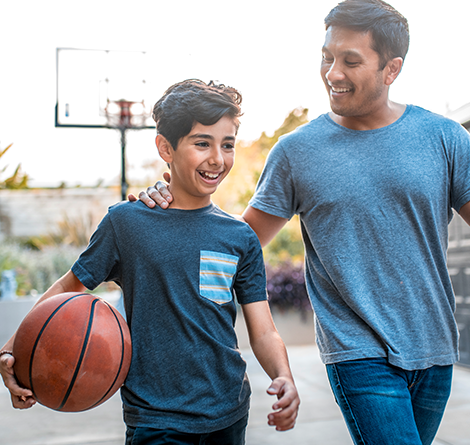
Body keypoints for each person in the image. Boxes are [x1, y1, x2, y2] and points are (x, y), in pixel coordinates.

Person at [133, 1, 470, 444]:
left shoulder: (444, 138)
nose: (332, 73)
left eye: (350, 61)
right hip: (358, 351)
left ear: (392, 69)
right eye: (327, 57)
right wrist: (170, 207)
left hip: (434, 346)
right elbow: (238, 240)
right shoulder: (298, 152)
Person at [0, 79, 300, 444]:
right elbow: (68, 286)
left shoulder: (239, 237)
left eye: (227, 145)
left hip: (229, 412)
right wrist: (11, 349)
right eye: (202, 143)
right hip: (156, 419)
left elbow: (264, 329)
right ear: (165, 148)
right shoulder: (127, 223)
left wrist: (282, 374)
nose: (217, 159)